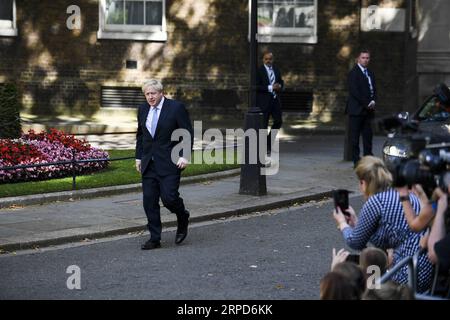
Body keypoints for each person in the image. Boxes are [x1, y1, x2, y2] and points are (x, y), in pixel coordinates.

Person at [332, 156, 433, 292]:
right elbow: (386, 236)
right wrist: (356, 223)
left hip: (405, 273)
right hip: (423, 268)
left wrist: (343, 223)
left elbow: (355, 242)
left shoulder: (375, 202)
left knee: (348, 265)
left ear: (363, 183)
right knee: (370, 261)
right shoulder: (400, 194)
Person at [135, 79, 194, 250]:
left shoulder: (176, 108)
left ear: (161, 93)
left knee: (169, 199)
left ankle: (182, 217)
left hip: (170, 162)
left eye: (153, 93)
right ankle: (155, 238)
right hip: (149, 163)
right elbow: (141, 136)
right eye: (147, 94)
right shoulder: (142, 109)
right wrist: (138, 157)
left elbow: (186, 133)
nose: (150, 97)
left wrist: (185, 156)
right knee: (149, 201)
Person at [346, 49, 377, 167]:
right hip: (356, 110)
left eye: (367, 58)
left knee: (368, 136)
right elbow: (355, 92)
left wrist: (373, 100)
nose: (365, 60)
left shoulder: (370, 73)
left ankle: (368, 158)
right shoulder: (353, 73)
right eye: (363, 58)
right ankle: (356, 161)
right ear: (358, 59)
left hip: (369, 111)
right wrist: (367, 103)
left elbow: (374, 89)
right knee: (354, 137)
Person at [256, 51, 284, 155]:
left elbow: (281, 81)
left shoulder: (276, 70)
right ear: (263, 60)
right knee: (264, 125)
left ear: (273, 59)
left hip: (275, 99)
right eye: (266, 59)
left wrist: (280, 86)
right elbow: (256, 86)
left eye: (270, 59)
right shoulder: (259, 71)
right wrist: (270, 87)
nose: (268, 61)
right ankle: (264, 147)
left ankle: (268, 142)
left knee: (278, 121)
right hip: (264, 101)